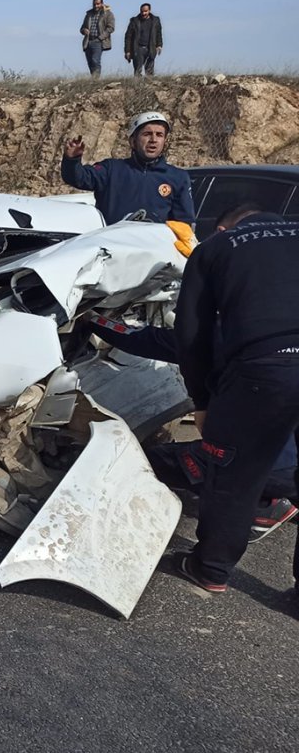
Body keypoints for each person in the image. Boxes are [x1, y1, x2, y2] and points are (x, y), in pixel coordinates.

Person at [173, 208, 299, 594]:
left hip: (267, 364)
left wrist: (203, 399)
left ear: (228, 226)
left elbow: (191, 332)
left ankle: (209, 569)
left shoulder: (215, 248)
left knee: (236, 472)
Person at [61, 110, 195, 225]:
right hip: (113, 248)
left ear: (164, 141)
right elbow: (78, 178)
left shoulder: (178, 177)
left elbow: (183, 224)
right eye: (147, 134)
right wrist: (72, 160)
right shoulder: (111, 169)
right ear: (133, 141)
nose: (153, 139)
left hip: (154, 250)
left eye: (159, 135)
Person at [80, 0, 116, 77]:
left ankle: (96, 79)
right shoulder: (89, 14)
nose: (96, 6)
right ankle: (93, 78)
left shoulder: (108, 14)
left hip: (99, 41)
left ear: (102, 4)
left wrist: (100, 37)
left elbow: (111, 28)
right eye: (94, 4)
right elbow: (82, 28)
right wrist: (84, 30)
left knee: (95, 60)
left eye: (98, 4)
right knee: (90, 62)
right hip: (88, 41)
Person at [124, 3, 163, 77]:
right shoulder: (134, 21)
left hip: (150, 48)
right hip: (138, 49)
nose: (143, 13)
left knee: (150, 71)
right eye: (142, 11)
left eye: (145, 11)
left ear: (149, 10)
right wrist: (127, 51)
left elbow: (159, 34)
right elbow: (128, 36)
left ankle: (150, 86)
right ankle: (137, 86)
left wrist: (159, 45)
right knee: (137, 70)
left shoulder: (155, 21)